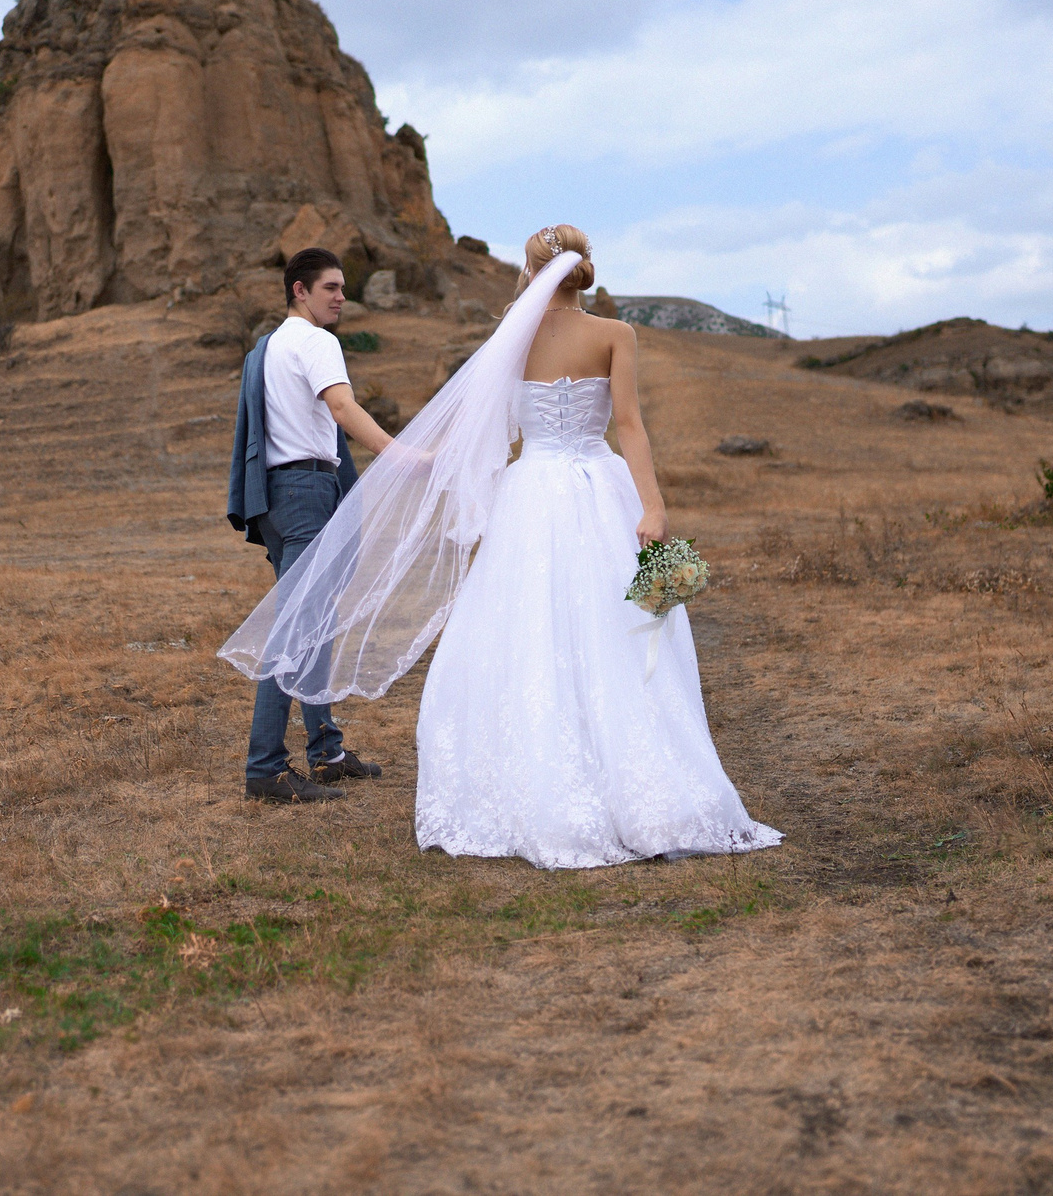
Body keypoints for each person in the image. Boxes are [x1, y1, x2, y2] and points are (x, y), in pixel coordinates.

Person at [219, 225, 780, 866]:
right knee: (629, 621)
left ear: (532, 270)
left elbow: (493, 428)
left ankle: (492, 769)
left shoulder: (509, 340)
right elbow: (629, 425)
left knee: (525, 625)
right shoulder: (616, 335)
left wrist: (476, 496)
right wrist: (653, 506)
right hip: (603, 486)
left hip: (530, 493)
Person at [226, 246, 397, 803]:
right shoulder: (317, 341)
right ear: (300, 290)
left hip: (275, 496)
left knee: (313, 622)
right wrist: (401, 453)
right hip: (305, 493)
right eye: (331, 287)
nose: (342, 297)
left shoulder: (268, 348)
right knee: (294, 630)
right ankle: (265, 769)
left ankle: (325, 752)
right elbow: (344, 410)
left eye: (342, 287)